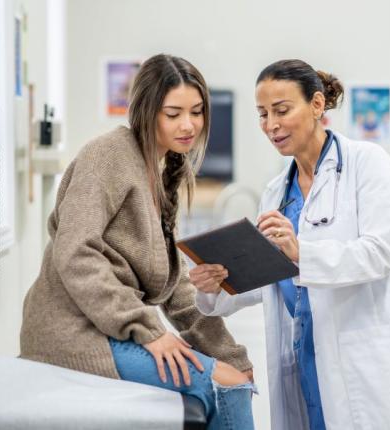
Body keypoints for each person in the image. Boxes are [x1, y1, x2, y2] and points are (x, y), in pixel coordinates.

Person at [190, 59, 390, 430]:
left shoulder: (367, 164)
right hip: (307, 359)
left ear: (316, 105)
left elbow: (377, 254)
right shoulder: (276, 194)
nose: (271, 125)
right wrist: (217, 285)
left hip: (370, 363)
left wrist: (301, 252)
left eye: (281, 110)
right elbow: (271, 279)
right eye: (262, 114)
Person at [20, 54, 255, 430]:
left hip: (113, 329)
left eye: (197, 112)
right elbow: (75, 251)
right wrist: (149, 331)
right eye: (173, 113)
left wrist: (229, 353)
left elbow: (177, 289)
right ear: (147, 111)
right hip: (73, 334)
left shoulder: (160, 172)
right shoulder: (108, 155)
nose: (188, 125)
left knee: (235, 377)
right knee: (225, 385)